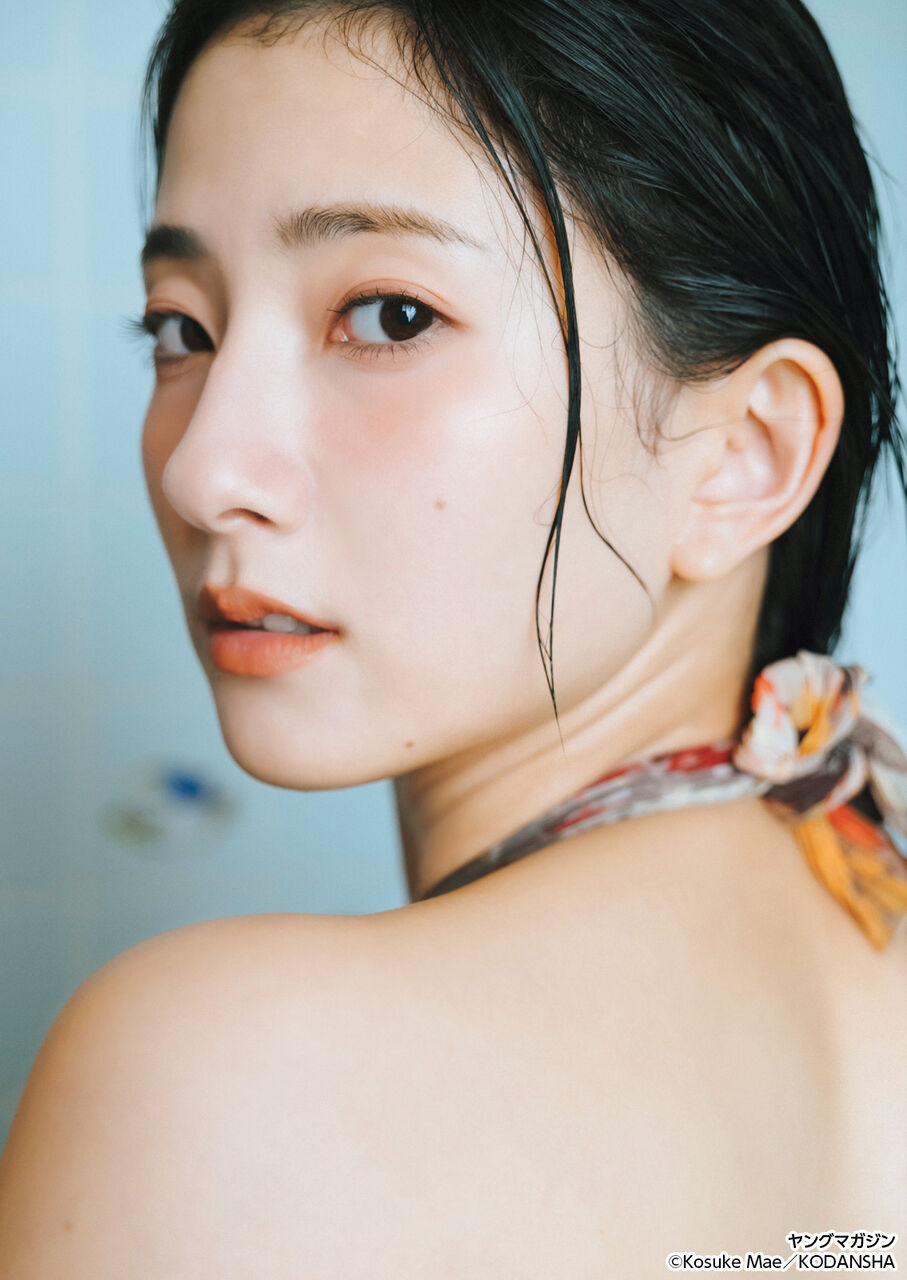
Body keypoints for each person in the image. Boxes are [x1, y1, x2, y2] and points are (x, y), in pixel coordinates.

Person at [1, 1, 905, 1273]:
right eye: (180, 329)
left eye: (388, 317)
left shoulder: (226, 1085)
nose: (204, 470)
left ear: (743, 454)